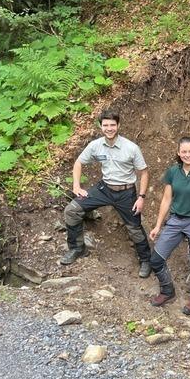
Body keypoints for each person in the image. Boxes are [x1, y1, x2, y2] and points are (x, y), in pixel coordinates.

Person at [61, 109, 152, 278]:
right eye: (105, 125)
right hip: (104, 189)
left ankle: (146, 260)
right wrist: (76, 185)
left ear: (118, 125)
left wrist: (141, 197)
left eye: (112, 125)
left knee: (134, 228)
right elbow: (78, 163)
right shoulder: (95, 145)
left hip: (126, 192)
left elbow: (144, 172)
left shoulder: (131, 148)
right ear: (100, 126)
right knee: (72, 210)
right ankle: (77, 248)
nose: (109, 128)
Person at [148, 136, 190, 315]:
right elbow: (166, 199)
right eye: (184, 152)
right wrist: (157, 226)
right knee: (156, 260)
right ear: (178, 153)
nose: (187, 155)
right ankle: (167, 290)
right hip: (176, 220)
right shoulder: (172, 172)